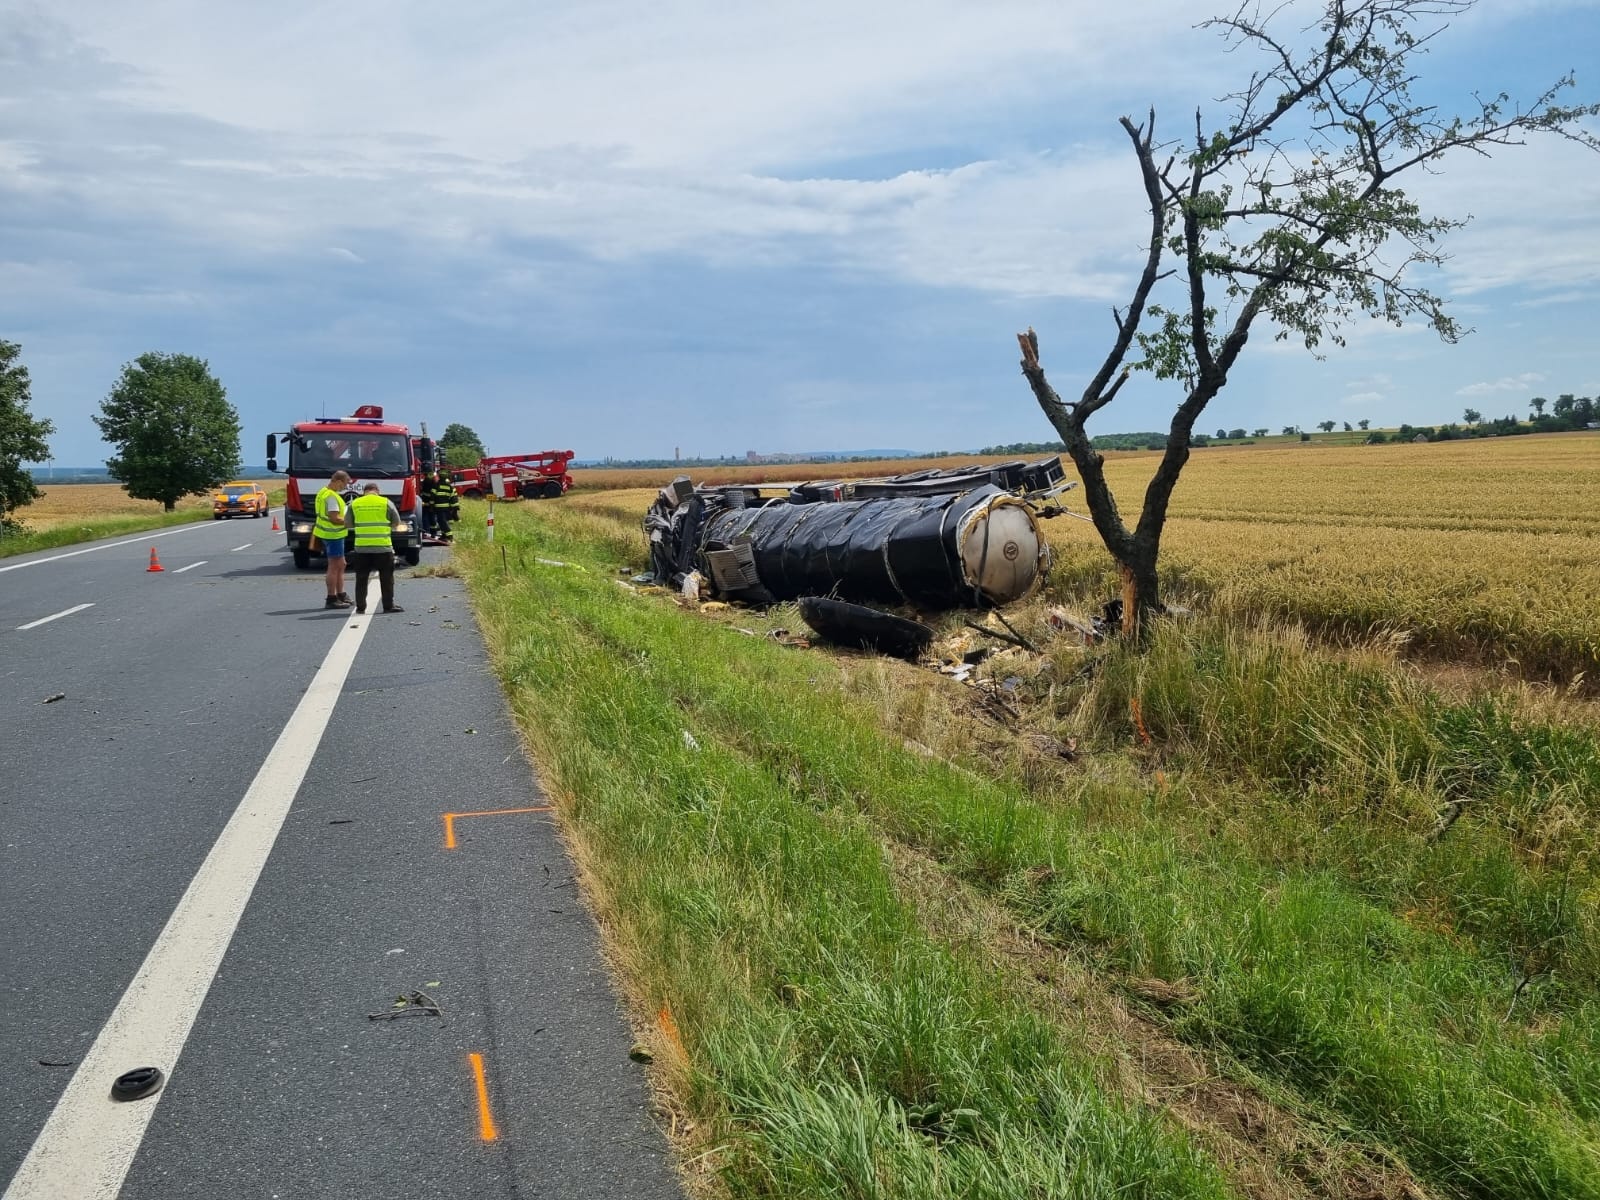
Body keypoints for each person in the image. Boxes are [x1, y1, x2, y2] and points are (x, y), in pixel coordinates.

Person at [347, 482, 404, 614]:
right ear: (377, 491)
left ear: (364, 492)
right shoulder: (386, 502)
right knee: (386, 579)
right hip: (383, 547)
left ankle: (361, 607)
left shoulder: (355, 503)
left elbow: (348, 524)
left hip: (362, 548)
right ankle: (388, 606)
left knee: (361, 578)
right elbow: (396, 522)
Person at [314, 469, 352, 609]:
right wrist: (350, 522)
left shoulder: (323, 492)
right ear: (338, 481)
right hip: (333, 534)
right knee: (334, 566)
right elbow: (334, 518)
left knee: (341, 564)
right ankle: (331, 597)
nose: (345, 488)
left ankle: (341, 594)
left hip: (329, 533)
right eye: (344, 484)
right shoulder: (331, 497)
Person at [426, 470, 456, 540]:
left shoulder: (436, 485)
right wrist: (453, 507)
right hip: (447, 508)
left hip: (439, 508)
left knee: (442, 522)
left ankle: (449, 535)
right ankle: (444, 535)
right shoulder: (449, 486)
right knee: (442, 521)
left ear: (439, 477)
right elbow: (452, 497)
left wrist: (431, 506)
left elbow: (432, 497)